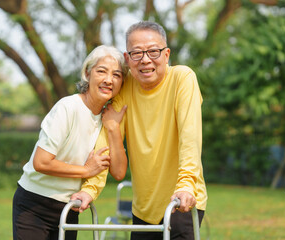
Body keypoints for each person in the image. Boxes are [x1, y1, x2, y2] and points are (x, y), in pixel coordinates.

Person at [72, 21, 207, 240]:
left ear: (166, 54)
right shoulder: (125, 89)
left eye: (153, 51)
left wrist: (186, 185)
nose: (145, 59)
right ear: (127, 59)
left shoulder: (183, 78)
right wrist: (90, 189)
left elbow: (189, 138)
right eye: (137, 53)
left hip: (181, 199)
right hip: (143, 209)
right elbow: (104, 147)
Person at [12, 45, 128, 240]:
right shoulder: (68, 108)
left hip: (70, 207)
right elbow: (40, 162)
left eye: (116, 75)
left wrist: (114, 129)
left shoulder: (110, 119)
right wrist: (85, 171)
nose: (109, 80)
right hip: (34, 204)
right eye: (101, 71)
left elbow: (118, 172)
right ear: (87, 74)